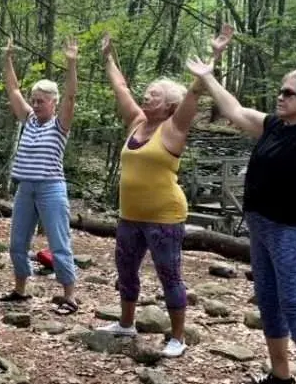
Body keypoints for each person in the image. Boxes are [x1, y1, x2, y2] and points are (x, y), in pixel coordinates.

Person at [186, 35, 296, 384]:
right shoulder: (274, 126)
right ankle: (280, 374)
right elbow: (235, 110)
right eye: (281, 90)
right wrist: (208, 77)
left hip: (293, 226)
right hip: (261, 223)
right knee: (269, 300)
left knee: (293, 302)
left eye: (288, 93)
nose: (280, 96)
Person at [95, 27, 232, 358]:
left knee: (169, 274)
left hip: (164, 217)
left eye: (154, 95)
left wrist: (214, 57)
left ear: (170, 105)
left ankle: (177, 337)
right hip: (130, 215)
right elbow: (121, 88)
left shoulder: (174, 127)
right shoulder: (136, 122)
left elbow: (195, 91)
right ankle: (126, 323)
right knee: (126, 270)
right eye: (147, 93)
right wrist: (108, 58)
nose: (146, 97)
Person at [0, 36, 79, 313]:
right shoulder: (29, 119)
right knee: (17, 243)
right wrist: (8, 58)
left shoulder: (60, 124)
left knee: (59, 243)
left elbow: (71, 96)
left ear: (53, 102)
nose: (36, 104)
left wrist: (71, 63)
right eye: (34, 100)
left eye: (41, 101)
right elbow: (12, 89)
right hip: (26, 188)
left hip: (51, 188)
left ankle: (69, 297)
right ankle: (20, 290)